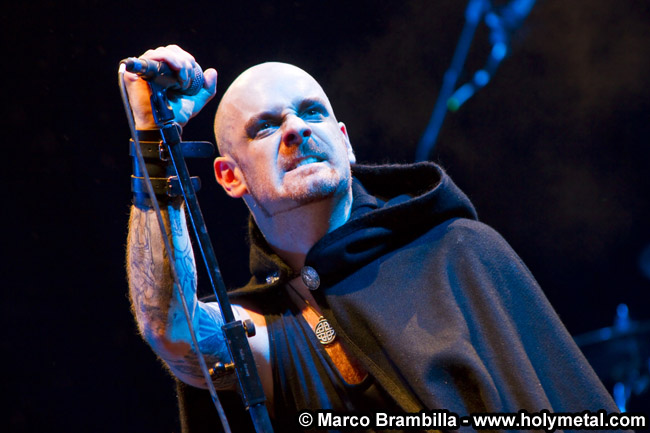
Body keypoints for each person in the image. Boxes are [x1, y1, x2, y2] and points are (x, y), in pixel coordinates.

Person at [125, 45, 624, 432]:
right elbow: (170, 327)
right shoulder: (269, 327)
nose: (296, 129)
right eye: (266, 127)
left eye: (312, 112)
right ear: (229, 176)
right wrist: (153, 138)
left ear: (345, 141)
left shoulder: (459, 250)